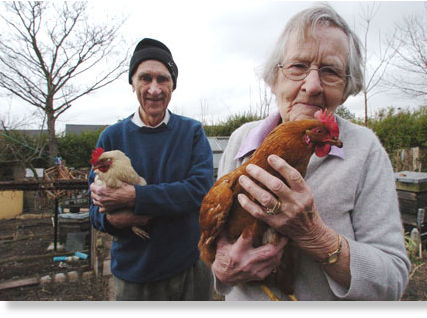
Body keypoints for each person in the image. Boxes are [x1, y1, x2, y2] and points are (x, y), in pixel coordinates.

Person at [211, 4, 410, 300]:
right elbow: (215, 243)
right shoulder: (242, 139)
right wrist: (222, 271)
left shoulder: (365, 150)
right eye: (298, 67)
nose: (312, 86)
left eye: (330, 71)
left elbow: (392, 280)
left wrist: (314, 235)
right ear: (274, 78)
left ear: (346, 87)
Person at [88, 38, 214, 301]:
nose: (154, 89)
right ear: (132, 83)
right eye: (145, 78)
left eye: (163, 79)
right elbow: (94, 209)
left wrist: (135, 197)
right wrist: (112, 220)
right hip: (134, 273)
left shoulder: (191, 132)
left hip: (188, 266)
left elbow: (200, 191)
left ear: (173, 85)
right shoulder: (111, 137)